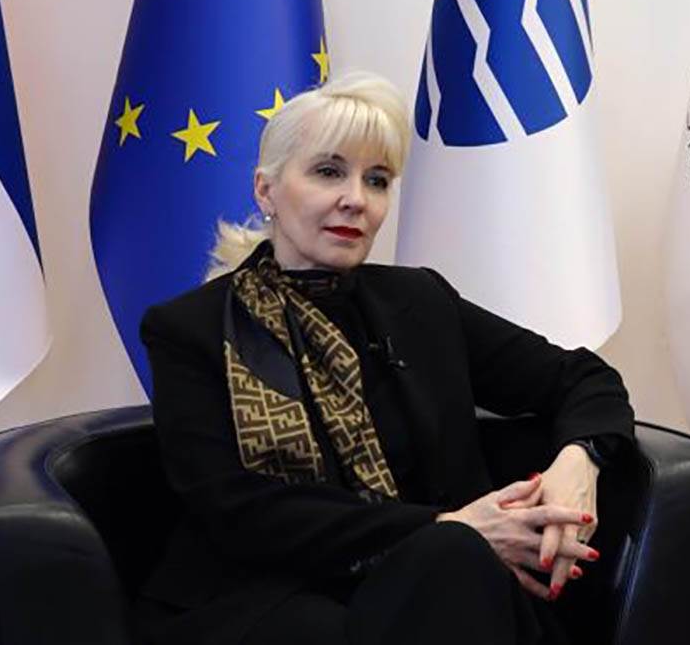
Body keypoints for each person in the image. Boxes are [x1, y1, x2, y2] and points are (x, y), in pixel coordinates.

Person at [135, 71, 635, 645]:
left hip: (437, 584)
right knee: (444, 567)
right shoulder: (191, 327)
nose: (356, 198)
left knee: (456, 572)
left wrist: (579, 462)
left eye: (376, 180)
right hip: (263, 596)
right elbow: (235, 510)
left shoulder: (420, 301)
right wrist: (448, 526)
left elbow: (583, 378)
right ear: (265, 190)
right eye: (329, 171)